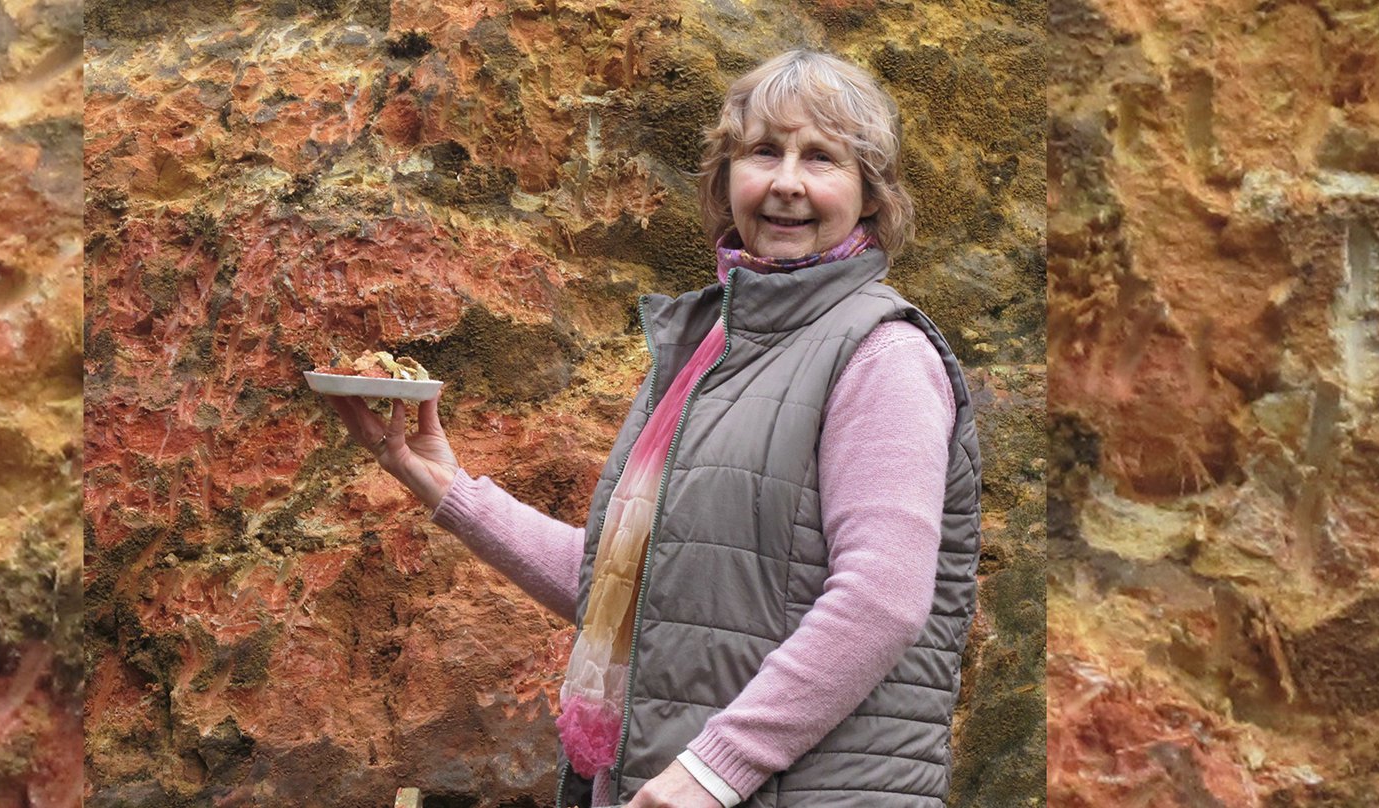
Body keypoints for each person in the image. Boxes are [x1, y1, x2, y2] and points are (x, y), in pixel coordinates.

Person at [323, 49, 980, 808]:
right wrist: (442, 484)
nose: (787, 182)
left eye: (823, 159)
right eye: (764, 151)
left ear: (869, 195)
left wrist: (713, 770)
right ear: (726, 176)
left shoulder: (882, 353)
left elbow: (882, 600)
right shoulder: (709, 348)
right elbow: (633, 587)